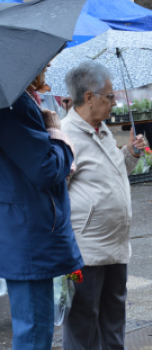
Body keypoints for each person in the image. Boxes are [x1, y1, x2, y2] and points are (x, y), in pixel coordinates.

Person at [61, 61, 146, 350]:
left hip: (115, 246)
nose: (114, 102)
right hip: (86, 251)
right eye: (109, 96)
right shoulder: (65, 136)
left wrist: (130, 154)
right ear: (88, 98)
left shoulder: (103, 130)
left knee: (113, 324)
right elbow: (57, 194)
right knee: (83, 326)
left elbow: (113, 171)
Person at [0, 62, 83, 349]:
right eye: (43, 61)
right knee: (35, 329)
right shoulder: (15, 105)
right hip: (29, 232)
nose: (47, 64)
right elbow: (46, 169)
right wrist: (57, 134)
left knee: (31, 325)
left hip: (20, 228)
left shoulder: (12, 100)